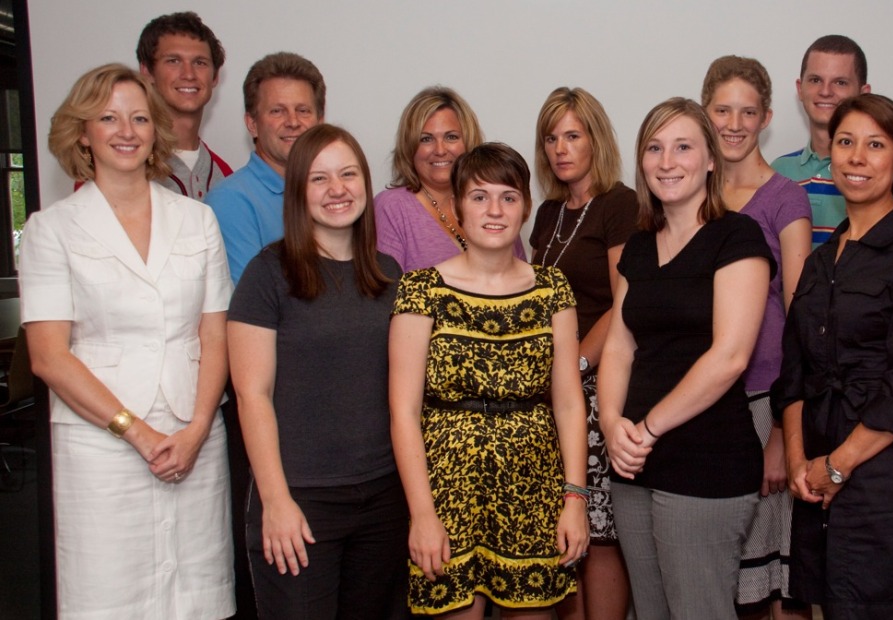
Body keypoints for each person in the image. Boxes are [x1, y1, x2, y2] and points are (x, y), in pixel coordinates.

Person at [21, 63, 234, 618]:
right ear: (82, 132)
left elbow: (215, 333)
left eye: (140, 118)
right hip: (103, 444)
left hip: (193, 437)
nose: (126, 130)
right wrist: (137, 434)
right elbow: (48, 357)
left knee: (197, 595)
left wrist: (195, 430)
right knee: (109, 596)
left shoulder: (196, 220)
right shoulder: (53, 228)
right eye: (108, 117)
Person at [772, 93, 893, 619]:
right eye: (846, 142)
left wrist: (837, 466)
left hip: (884, 490)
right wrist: (796, 462)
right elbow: (795, 373)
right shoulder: (821, 260)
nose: (857, 157)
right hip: (816, 484)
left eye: (875, 145)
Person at [389, 142, 589, 617]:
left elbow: (568, 404)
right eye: (479, 197)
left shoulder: (551, 289)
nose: (494, 210)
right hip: (445, 489)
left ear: (524, 207)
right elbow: (403, 412)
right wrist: (421, 515)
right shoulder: (421, 290)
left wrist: (575, 499)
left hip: (533, 485)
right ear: (458, 207)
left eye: (508, 196)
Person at [599, 97, 774, 620]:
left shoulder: (736, 236)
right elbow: (618, 345)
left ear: (712, 160)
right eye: (654, 147)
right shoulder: (637, 245)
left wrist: (648, 427)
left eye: (683, 147)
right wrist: (611, 424)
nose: (667, 161)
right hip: (632, 463)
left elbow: (730, 356)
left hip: (706, 462)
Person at [227, 124, 408, 619]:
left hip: (384, 497)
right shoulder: (268, 274)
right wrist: (275, 501)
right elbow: (252, 395)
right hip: (301, 500)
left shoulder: (390, 274)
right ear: (298, 192)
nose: (337, 189)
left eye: (348, 174)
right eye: (319, 178)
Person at [699, 56, 812, 620]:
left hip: (766, 402)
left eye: (748, 111)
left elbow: (800, 316)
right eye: (723, 109)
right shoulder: (690, 191)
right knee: (718, 573)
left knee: (774, 579)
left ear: (767, 117)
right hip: (704, 402)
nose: (734, 123)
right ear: (705, 113)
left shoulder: (785, 198)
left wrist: (780, 436)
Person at [529, 86, 638, 620]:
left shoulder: (619, 203)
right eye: (551, 138)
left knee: (600, 530)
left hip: (596, 384)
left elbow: (624, 302)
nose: (560, 148)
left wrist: (574, 368)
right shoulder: (548, 211)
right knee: (562, 526)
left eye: (572, 135)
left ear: (596, 138)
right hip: (551, 391)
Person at [771, 35, 893, 248]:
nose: (825, 91)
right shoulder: (779, 171)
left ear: (863, 92)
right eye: (815, 80)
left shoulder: (892, 174)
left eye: (840, 82)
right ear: (800, 88)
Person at [375, 86, 525, 272]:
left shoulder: (498, 204)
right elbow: (384, 294)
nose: (440, 150)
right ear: (409, 147)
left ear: (468, 142)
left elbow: (524, 283)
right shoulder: (392, 208)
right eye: (426, 139)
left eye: (451, 137)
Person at [207, 51, 325, 283]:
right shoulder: (231, 200)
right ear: (252, 124)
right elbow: (254, 303)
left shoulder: (333, 193)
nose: (292, 122)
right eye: (277, 111)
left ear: (319, 122)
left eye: (303, 110)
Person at [135, 11, 231, 201]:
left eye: (200, 62)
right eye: (173, 61)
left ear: (215, 77)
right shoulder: (121, 162)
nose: (188, 74)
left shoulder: (226, 175)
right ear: (147, 71)